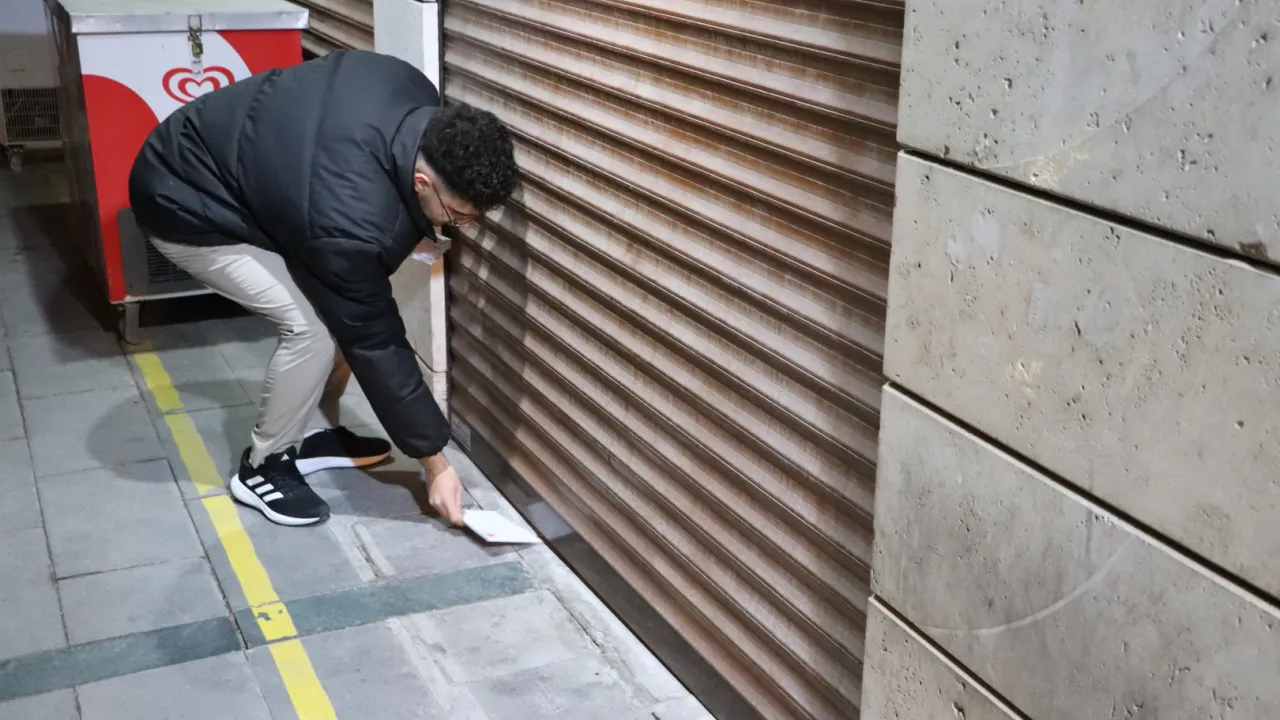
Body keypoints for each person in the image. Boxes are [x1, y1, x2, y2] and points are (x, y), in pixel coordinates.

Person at [128, 50, 518, 528]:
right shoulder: (348, 225)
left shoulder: (408, 85)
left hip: (238, 160)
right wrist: (435, 463)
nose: (460, 227)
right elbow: (374, 339)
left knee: (340, 311)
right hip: (181, 198)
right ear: (422, 181)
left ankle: (306, 433)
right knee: (312, 329)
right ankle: (263, 467)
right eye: (458, 217)